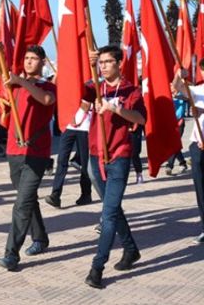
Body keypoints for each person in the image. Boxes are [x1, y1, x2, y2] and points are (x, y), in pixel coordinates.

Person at [83, 45, 146, 289]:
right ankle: (130, 249)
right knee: (113, 208)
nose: (104, 66)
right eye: (101, 62)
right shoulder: (95, 87)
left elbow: (140, 119)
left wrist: (115, 108)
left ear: (119, 63)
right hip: (95, 157)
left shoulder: (132, 90)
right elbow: (74, 88)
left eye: (109, 62)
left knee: (108, 214)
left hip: (118, 158)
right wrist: (86, 63)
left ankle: (97, 267)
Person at [0, 45, 56, 272]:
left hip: (36, 153)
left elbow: (47, 100)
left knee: (22, 203)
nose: (29, 62)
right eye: (26, 58)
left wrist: (22, 82)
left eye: (34, 58)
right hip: (13, 150)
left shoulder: (47, 85)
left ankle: (11, 254)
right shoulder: (15, 87)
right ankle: (40, 238)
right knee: (26, 198)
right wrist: (0, 55)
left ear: (42, 62)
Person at [172, 61, 204, 244]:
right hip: (197, 143)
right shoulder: (198, 90)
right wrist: (179, 74)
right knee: (201, 188)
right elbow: (177, 87)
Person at [45, 101, 93, 208]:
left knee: (84, 163)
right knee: (61, 160)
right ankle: (55, 195)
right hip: (69, 125)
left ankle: (86, 194)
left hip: (85, 126)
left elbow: (86, 105)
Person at [165, 83, 188, 176]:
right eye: (169, 86)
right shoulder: (167, 96)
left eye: (173, 86)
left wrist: (177, 96)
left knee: (174, 144)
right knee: (174, 145)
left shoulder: (182, 95)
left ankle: (169, 166)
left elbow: (187, 98)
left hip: (179, 122)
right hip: (170, 123)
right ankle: (182, 162)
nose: (171, 88)